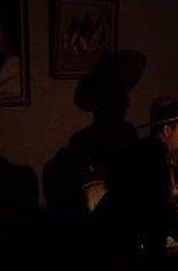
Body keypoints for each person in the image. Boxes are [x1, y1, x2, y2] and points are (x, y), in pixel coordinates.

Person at [92, 96, 178, 259]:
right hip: (117, 249)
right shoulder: (154, 158)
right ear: (167, 130)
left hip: (119, 241)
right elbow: (166, 209)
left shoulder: (151, 150)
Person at [43, 50, 144, 226]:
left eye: (123, 99)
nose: (126, 105)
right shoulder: (83, 142)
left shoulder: (127, 134)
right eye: (119, 100)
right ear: (103, 106)